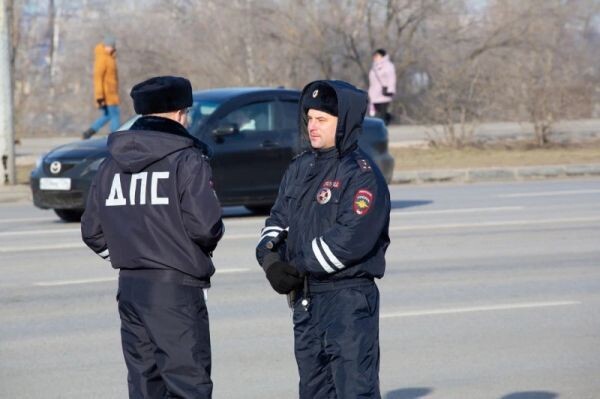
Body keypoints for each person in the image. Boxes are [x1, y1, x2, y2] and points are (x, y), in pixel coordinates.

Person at [81, 76, 224, 398]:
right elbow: (206, 227)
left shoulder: (110, 164)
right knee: (188, 384)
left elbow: (92, 231)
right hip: (175, 287)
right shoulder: (186, 159)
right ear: (179, 113)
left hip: (130, 287)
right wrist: (182, 255)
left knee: (145, 384)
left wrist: (128, 254)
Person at [256, 80, 391, 398]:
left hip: (347, 299)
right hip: (306, 300)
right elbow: (277, 222)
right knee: (314, 390)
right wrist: (271, 260)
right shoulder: (300, 167)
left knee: (354, 390)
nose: (312, 126)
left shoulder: (362, 174)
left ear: (343, 122)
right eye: (310, 118)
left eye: (322, 120)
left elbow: (348, 239)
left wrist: (297, 265)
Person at [82, 35, 121, 139]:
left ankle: (89, 132)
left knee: (108, 115)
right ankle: (116, 137)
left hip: (111, 92)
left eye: (113, 46)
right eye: (110, 46)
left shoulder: (109, 58)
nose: (112, 48)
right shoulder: (102, 58)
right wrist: (99, 96)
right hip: (108, 93)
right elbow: (97, 78)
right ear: (105, 46)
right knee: (115, 115)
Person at [368, 48, 396, 125]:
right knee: (378, 112)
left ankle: (383, 128)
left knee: (382, 114)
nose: (375, 57)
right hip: (375, 94)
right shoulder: (374, 66)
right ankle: (389, 118)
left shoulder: (388, 66)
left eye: (377, 55)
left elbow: (391, 78)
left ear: (382, 56)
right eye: (374, 55)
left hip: (384, 93)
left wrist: (391, 90)